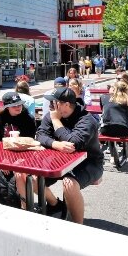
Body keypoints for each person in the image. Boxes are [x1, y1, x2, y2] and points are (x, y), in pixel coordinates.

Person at [32, 87, 104, 223]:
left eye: (54, 102)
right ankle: (55, 205)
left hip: (89, 162)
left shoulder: (87, 120)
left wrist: (56, 122)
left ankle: (77, 225)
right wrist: (55, 144)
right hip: (60, 161)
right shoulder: (53, 114)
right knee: (33, 178)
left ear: (65, 105)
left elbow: (73, 143)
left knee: (69, 184)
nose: (51, 105)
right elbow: (40, 135)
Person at [0, 92, 37, 202]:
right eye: (14, 105)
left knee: (19, 173)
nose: (18, 107)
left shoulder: (28, 119)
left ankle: (24, 206)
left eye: (19, 104)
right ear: (6, 107)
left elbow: (30, 143)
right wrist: (2, 160)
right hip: (1, 155)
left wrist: (15, 161)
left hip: (22, 155)